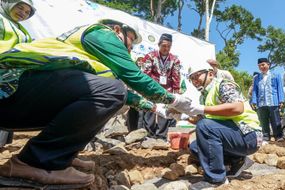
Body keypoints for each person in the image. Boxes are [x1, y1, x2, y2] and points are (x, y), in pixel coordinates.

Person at [0, 18, 192, 187]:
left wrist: (155, 107)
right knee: (113, 91)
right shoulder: (100, 33)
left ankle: (62, 155)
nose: (129, 49)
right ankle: (37, 162)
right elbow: (133, 77)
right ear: (118, 30)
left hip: (20, 96)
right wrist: (174, 100)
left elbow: (125, 95)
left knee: (113, 93)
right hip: (10, 87)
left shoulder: (94, 54)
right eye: (130, 41)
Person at [183, 62, 262, 189]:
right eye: (191, 78)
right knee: (195, 147)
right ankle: (237, 161)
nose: (194, 81)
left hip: (249, 134)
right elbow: (203, 120)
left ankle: (216, 179)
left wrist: (201, 109)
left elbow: (237, 107)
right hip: (236, 135)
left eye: (196, 76)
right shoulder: (205, 96)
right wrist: (182, 115)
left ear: (210, 73)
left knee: (205, 127)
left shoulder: (223, 85)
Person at [0, 0, 36, 148]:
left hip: (10, 76)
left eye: (27, 12)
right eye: (20, 8)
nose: (23, 13)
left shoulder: (19, 27)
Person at [137, 33, 181, 142]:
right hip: (152, 87)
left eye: (168, 46)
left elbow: (176, 76)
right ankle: (149, 134)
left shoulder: (174, 60)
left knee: (166, 111)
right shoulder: (150, 56)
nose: (166, 48)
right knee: (150, 109)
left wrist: (176, 92)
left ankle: (162, 136)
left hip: (167, 89)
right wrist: (146, 89)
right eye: (164, 46)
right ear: (159, 44)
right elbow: (146, 74)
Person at [250, 58, 285, 142]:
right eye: (259, 66)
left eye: (263, 65)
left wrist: (281, 100)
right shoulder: (256, 77)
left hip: (273, 101)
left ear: (268, 65)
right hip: (261, 103)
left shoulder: (276, 75)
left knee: (276, 120)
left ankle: (278, 136)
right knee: (263, 120)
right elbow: (255, 90)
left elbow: (280, 88)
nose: (261, 67)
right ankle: (266, 136)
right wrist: (254, 101)